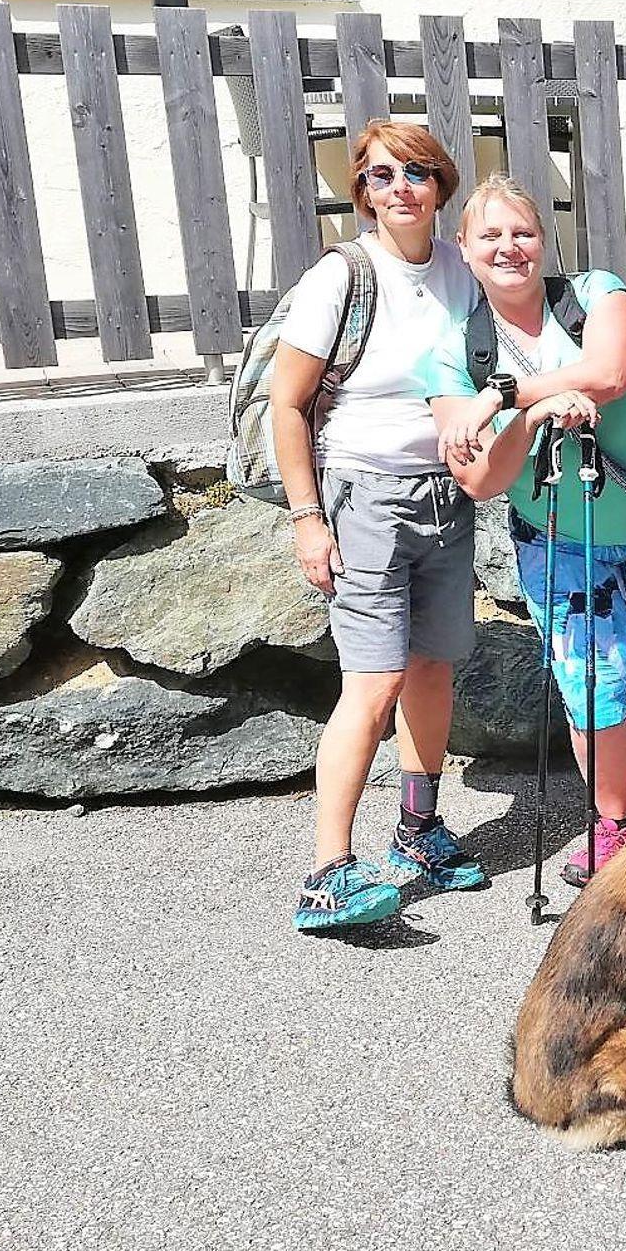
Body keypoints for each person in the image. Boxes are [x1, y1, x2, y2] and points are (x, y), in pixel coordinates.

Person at [427, 175, 626, 887]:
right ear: (464, 248)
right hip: (558, 538)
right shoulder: (456, 352)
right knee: (594, 683)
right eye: (490, 235)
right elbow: (481, 479)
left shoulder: (593, 294)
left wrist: (502, 396)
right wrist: (532, 417)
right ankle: (613, 826)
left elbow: (611, 372)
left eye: (522, 232)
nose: (509, 248)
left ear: (544, 239)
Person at [272, 122, 487, 932]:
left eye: (417, 173)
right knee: (372, 682)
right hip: (363, 497)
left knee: (431, 670)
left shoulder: (461, 270)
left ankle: (418, 830)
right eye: (381, 174)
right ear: (362, 189)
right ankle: (327, 872)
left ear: (441, 186)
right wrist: (308, 519)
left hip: (445, 494)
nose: (400, 188)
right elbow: (288, 405)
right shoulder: (341, 275)